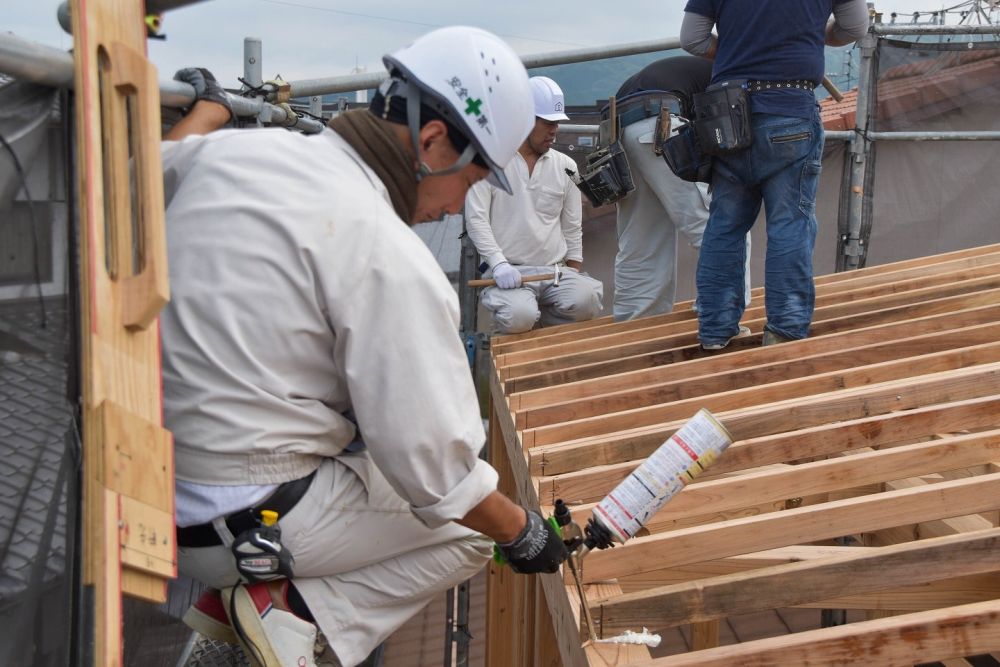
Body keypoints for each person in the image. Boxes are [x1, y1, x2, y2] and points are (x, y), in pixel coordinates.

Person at [160, 27, 568, 667]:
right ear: (433, 143)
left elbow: (143, 172)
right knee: (470, 534)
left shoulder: (238, 153)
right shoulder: (384, 249)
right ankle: (289, 609)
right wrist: (527, 536)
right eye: (473, 180)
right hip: (244, 518)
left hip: (154, 491)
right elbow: (444, 481)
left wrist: (208, 113)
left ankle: (233, 607)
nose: (456, 208)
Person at [681, 0, 869, 348]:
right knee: (790, 223)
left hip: (728, 114)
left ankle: (715, 332)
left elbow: (692, 39)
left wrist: (740, 49)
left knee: (725, 225)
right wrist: (819, 35)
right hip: (789, 109)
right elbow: (855, 27)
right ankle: (784, 330)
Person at [609, 55, 751, 322]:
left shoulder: (706, 68)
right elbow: (729, 137)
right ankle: (722, 316)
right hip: (658, 123)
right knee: (721, 224)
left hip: (618, 131)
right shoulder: (739, 74)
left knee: (642, 236)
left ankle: (637, 325)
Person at [464, 76, 604, 334]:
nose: (555, 131)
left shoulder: (566, 166)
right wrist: (498, 264)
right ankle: (525, 349)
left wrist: (572, 275)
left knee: (586, 300)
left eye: (557, 123)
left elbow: (572, 227)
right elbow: (476, 220)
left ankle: (546, 344)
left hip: (554, 273)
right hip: (507, 273)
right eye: (548, 122)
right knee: (519, 316)